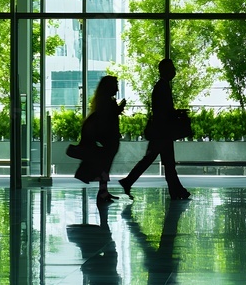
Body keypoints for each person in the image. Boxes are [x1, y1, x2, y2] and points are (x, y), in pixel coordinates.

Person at [119, 58, 190, 200]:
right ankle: (176, 191)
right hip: (162, 133)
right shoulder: (162, 87)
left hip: (160, 132)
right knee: (165, 163)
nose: (174, 71)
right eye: (172, 68)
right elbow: (164, 111)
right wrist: (177, 113)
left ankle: (177, 191)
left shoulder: (161, 86)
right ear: (166, 70)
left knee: (161, 162)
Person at [74, 75, 126, 203]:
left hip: (106, 138)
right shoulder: (108, 102)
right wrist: (119, 108)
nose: (117, 89)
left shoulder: (102, 101)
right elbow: (108, 118)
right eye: (116, 86)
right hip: (108, 139)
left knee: (105, 166)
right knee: (105, 166)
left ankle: (103, 191)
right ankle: (103, 192)